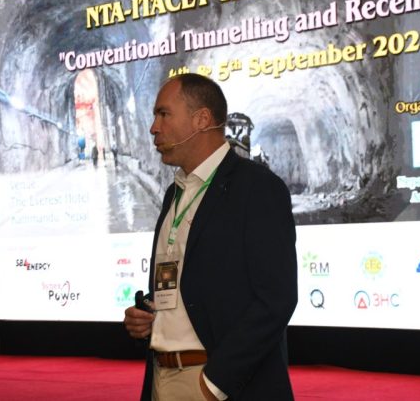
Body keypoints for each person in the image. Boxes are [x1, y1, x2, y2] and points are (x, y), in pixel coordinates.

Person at [124, 73, 298, 400]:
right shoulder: (174, 193)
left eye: (163, 114)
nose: (154, 127)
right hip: (162, 377)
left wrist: (216, 383)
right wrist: (148, 319)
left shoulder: (257, 188)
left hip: (220, 384)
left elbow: (276, 299)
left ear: (202, 119)